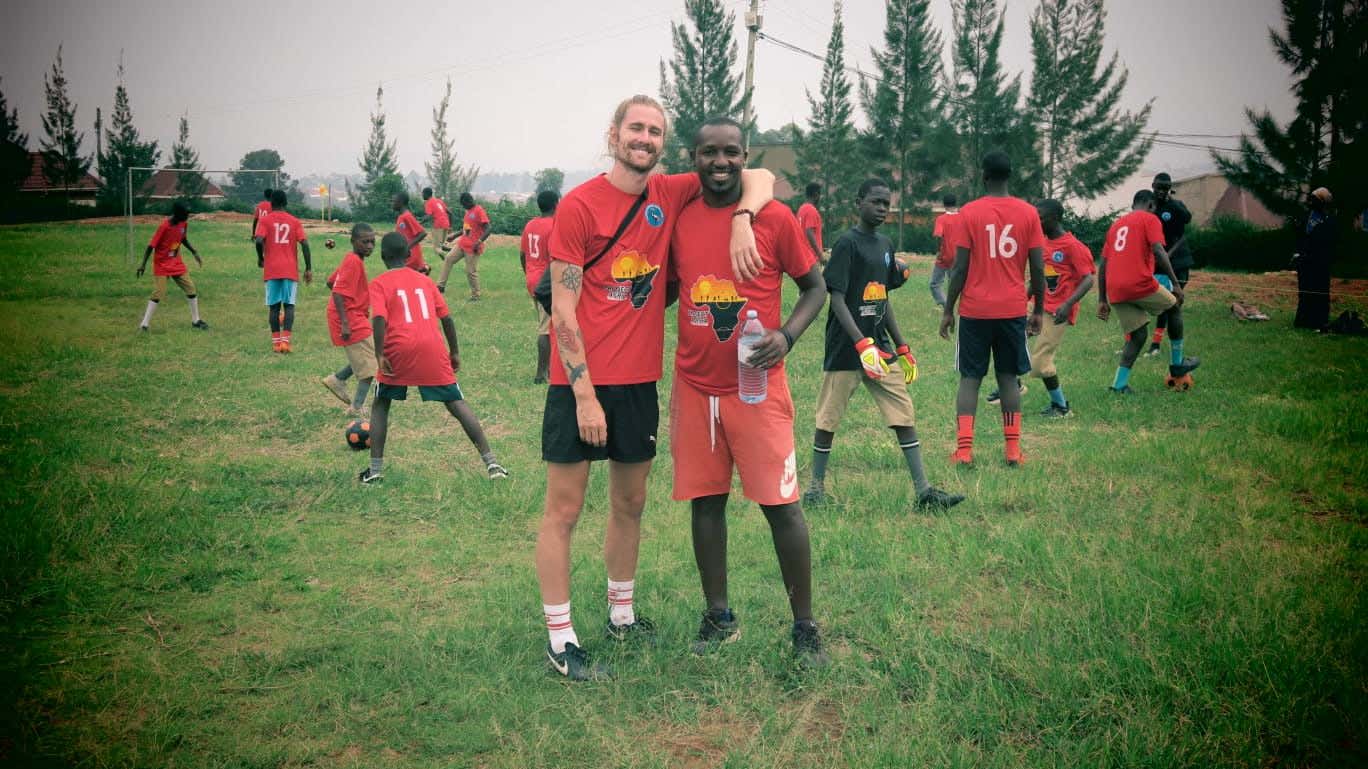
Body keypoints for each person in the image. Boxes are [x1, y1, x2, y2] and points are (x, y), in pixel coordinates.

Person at [536, 94, 773, 681]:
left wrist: (743, 217)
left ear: (663, 144)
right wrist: (584, 394)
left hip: (640, 383)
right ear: (612, 133)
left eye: (654, 131)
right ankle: (560, 637)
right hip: (581, 386)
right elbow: (562, 310)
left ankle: (622, 615)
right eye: (634, 128)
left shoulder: (669, 193)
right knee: (564, 510)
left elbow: (762, 174)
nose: (644, 138)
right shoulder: (579, 206)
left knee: (631, 503)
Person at [667, 117, 829, 664]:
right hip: (694, 386)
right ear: (693, 157)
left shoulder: (775, 217)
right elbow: (665, 287)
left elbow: (815, 287)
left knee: (782, 507)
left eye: (731, 152)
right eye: (709, 152)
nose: (720, 162)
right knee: (705, 504)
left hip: (756, 389)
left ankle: (805, 627)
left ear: (745, 156)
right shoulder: (681, 217)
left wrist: (787, 334)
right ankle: (718, 615)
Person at [803, 178, 964, 506]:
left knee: (903, 413)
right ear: (858, 203)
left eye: (886, 204)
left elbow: (882, 298)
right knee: (828, 418)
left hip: (881, 348)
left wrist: (902, 346)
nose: (881, 209)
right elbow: (836, 298)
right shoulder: (847, 243)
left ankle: (924, 493)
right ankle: (814, 491)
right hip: (847, 348)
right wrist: (860, 344)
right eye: (875, 202)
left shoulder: (886, 245)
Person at [360, 231, 507, 483]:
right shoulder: (425, 281)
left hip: (397, 348)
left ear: (383, 256)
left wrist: (379, 353)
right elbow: (447, 318)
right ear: (408, 255)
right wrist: (455, 351)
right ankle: (493, 464)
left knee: (381, 402)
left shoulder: (380, 283)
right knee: (456, 402)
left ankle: (375, 471)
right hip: (432, 347)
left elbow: (379, 318)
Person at [938, 150, 1045, 467]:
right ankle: (1013, 451)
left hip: (974, 311)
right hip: (1012, 308)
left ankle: (964, 451)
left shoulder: (969, 213)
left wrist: (948, 309)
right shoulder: (1028, 214)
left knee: (970, 379)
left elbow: (959, 268)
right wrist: (1038, 307)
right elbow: (1038, 268)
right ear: (1009, 175)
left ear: (983, 176)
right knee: (1008, 378)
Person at [1096, 189, 1201, 392]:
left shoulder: (1116, 225)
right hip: (1139, 282)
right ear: (1151, 205)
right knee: (1174, 307)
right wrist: (1175, 285)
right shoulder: (1150, 219)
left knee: (1138, 336)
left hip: (1115, 289)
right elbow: (1159, 250)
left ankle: (1119, 385)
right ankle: (1177, 365)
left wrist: (1102, 298)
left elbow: (1103, 263)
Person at [1026, 199, 1094, 417]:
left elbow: (1088, 280)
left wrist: (1068, 304)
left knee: (1039, 363)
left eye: (1040, 218)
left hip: (1057, 312)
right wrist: (1023, 300)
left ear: (1054, 219)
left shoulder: (1073, 247)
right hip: (1038, 306)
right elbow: (1039, 277)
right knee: (1008, 336)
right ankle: (1011, 385)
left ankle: (1062, 407)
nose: (1036, 223)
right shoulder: (1043, 243)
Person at [321, 223, 379, 416]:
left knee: (367, 358)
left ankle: (338, 379)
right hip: (350, 319)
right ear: (353, 241)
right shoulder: (353, 261)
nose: (370, 246)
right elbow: (337, 291)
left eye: (372, 241)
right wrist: (345, 321)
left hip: (353, 316)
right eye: (365, 242)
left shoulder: (352, 259)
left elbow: (331, 281)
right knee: (371, 366)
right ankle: (356, 408)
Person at [254, 189, 311, 353]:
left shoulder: (265, 220)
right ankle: (286, 342)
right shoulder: (294, 221)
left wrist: (260, 257)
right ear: (286, 203)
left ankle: (276, 343)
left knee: (274, 307)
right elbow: (305, 244)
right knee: (289, 306)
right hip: (289, 270)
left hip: (272, 270)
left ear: (271, 203)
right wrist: (308, 268)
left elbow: (258, 240)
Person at [136, 201, 208, 332]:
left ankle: (196, 320)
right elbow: (150, 246)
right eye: (185, 214)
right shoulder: (164, 226)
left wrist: (194, 252)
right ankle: (144, 324)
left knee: (191, 289)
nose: (187, 217)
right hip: (162, 264)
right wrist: (142, 264)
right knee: (159, 292)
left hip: (176, 262)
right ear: (178, 214)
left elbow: (183, 239)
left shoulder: (183, 223)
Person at [1148, 172, 1193, 355]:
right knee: (1161, 302)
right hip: (1157, 261)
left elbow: (1184, 232)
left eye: (1165, 188)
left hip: (1178, 260)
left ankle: (1157, 345)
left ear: (1170, 188)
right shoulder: (1149, 206)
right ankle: (1153, 344)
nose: (1161, 191)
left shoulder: (1176, 206)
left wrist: (1168, 254)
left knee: (1173, 303)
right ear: (1153, 185)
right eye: (1158, 187)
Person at [519, 189, 559, 383]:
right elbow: (556, 259)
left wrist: (528, 275)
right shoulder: (555, 226)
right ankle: (541, 373)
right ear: (556, 205)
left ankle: (552, 369)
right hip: (546, 282)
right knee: (545, 328)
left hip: (532, 279)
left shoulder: (530, 225)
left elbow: (522, 255)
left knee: (549, 324)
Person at [1293, 187, 1336, 331]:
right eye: (1310, 198)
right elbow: (1301, 239)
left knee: (1320, 291)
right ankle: (1303, 320)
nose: (1310, 202)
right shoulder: (1306, 218)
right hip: (1304, 261)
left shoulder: (1328, 220)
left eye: (1314, 199)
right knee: (1304, 291)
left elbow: (1327, 244)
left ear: (1322, 202)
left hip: (1320, 262)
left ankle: (1319, 321)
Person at [439, 192, 491, 300]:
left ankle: (476, 295)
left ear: (469, 201)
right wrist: (454, 236)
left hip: (473, 247)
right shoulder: (468, 212)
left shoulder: (479, 210)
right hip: (462, 244)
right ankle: (441, 286)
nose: (463, 206)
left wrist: (479, 241)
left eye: (464, 204)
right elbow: (466, 229)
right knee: (448, 258)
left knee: (470, 271)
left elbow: (488, 228)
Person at [929, 194, 959, 308]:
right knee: (954, 284)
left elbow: (938, 236)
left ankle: (946, 305)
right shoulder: (962, 218)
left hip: (945, 257)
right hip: (959, 257)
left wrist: (938, 251)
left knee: (934, 284)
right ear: (956, 203)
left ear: (944, 205)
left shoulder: (941, 219)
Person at [393, 191, 428, 274]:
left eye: (394, 201)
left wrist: (407, 247)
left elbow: (423, 233)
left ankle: (424, 268)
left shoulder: (407, 216)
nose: (392, 203)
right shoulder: (401, 216)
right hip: (405, 256)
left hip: (411, 256)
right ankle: (424, 268)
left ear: (400, 202)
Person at [421, 187, 453, 263]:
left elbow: (428, 216)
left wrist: (419, 223)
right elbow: (450, 213)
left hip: (438, 225)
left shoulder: (428, 203)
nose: (422, 195)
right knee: (441, 246)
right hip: (446, 224)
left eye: (422, 194)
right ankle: (449, 255)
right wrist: (450, 226)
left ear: (426, 194)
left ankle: (450, 258)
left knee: (436, 249)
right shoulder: (439, 201)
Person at [797, 182, 824, 265]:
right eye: (820, 194)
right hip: (812, 258)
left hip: (803, 256)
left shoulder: (801, 209)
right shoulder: (811, 210)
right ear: (816, 195)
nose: (820, 197)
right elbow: (809, 232)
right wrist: (820, 255)